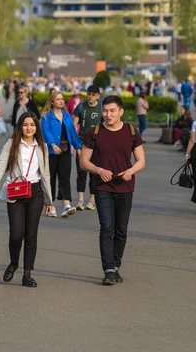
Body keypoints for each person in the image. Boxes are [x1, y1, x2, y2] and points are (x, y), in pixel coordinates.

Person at [80, 95, 145, 285]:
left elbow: (141, 160)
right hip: (103, 187)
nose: (108, 114)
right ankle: (108, 270)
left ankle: (115, 266)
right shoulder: (95, 132)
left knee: (121, 230)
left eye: (112, 111)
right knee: (107, 227)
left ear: (121, 112)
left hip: (125, 187)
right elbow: (84, 161)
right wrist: (99, 170)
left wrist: (131, 170)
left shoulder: (132, 132)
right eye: (105, 111)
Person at [0, 112, 52, 288]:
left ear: (36, 127)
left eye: (32, 125)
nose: (29, 128)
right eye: (25, 125)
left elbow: (45, 174)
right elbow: (0, 169)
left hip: (35, 192)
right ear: (20, 127)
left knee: (31, 235)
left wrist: (49, 200)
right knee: (16, 234)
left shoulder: (42, 147)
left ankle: (27, 274)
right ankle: (14, 263)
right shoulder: (11, 144)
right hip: (15, 192)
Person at [41, 91, 82, 218]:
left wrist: (78, 147)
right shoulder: (46, 117)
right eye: (58, 99)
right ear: (52, 101)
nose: (61, 101)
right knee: (51, 178)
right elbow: (45, 132)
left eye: (62, 99)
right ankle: (50, 205)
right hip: (51, 152)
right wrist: (52, 144)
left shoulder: (67, 116)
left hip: (65, 151)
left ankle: (66, 206)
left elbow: (73, 133)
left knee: (65, 177)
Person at [73, 84, 102, 211]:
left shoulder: (101, 108)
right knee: (81, 173)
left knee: (94, 174)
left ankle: (92, 200)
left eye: (93, 95)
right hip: (82, 144)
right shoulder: (81, 106)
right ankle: (80, 200)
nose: (90, 97)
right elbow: (73, 127)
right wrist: (76, 146)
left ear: (98, 96)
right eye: (89, 94)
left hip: (96, 146)